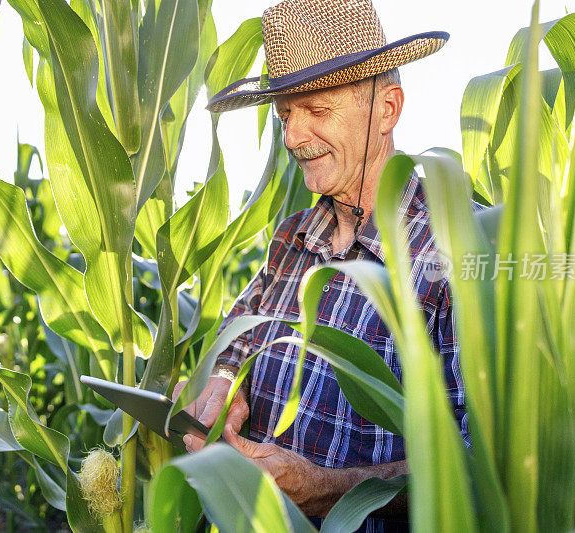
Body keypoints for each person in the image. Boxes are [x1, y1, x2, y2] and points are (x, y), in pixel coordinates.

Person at [173, 0, 475, 530]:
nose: (292, 137)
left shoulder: (457, 251)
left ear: (387, 109)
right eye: (287, 114)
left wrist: (333, 492)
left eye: (317, 110)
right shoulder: (291, 239)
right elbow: (239, 337)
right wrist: (224, 382)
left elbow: (478, 461)